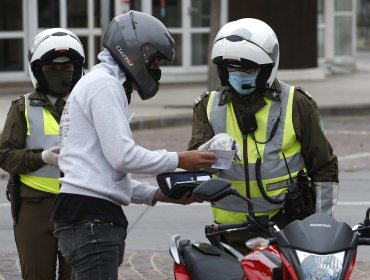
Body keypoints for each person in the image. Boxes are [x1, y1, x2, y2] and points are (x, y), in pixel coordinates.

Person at [51, 10, 216, 279]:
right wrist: (180, 159)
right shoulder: (105, 85)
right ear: (137, 52)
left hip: (85, 215)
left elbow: (105, 174)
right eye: (156, 61)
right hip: (91, 219)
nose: (157, 70)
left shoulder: (99, 82)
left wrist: (157, 195)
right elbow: (123, 158)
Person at [188, 18, 339, 253]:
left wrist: (322, 228)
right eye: (231, 68)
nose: (238, 75)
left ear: (268, 66)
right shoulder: (207, 106)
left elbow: (324, 168)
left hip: (286, 229)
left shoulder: (296, 103)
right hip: (230, 233)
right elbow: (194, 173)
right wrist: (211, 151)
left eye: (248, 68)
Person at [0, 28, 85, 279]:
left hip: (80, 204)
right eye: (51, 68)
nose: (61, 73)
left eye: (68, 66)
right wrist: (41, 157)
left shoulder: (89, 104)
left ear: (78, 68)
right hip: (35, 208)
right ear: (38, 70)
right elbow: (4, 156)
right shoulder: (22, 107)